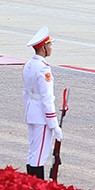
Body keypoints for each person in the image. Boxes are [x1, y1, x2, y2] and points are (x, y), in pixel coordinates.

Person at [22, 26, 60, 179]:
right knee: (40, 156)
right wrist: (54, 124)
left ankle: (30, 185)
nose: (51, 48)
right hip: (42, 116)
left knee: (33, 153)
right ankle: (37, 188)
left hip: (31, 113)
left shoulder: (29, 65)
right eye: (49, 45)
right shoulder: (44, 69)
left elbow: (26, 94)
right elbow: (47, 99)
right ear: (43, 48)